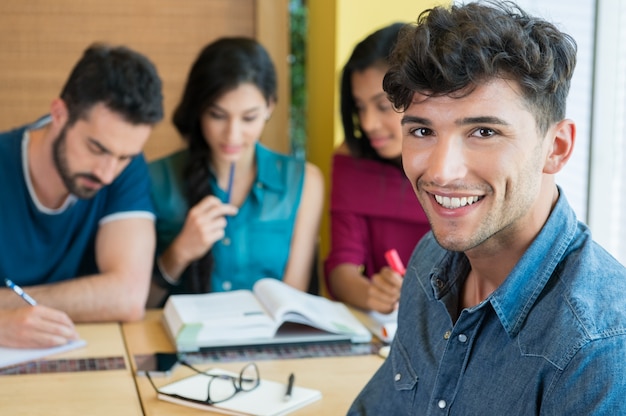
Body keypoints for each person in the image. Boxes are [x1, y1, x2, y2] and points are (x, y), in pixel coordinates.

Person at [349, 2, 626, 414]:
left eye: (483, 131)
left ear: (557, 148)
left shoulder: (599, 346)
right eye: (423, 131)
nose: (442, 172)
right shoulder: (430, 259)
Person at [0, 44, 164, 348]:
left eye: (124, 156)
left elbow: (128, 296)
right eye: (96, 148)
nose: (107, 173)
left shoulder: (123, 168)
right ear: (59, 114)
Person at [147, 37, 324, 306]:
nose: (232, 134)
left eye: (249, 118)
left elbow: (293, 302)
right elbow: (139, 304)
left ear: (270, 106)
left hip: (267, 345)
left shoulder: (304, 182)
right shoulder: (155, 179)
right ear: (199, 111)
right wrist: (179, 253)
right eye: (217, 115)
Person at [324, 23, 430, 314]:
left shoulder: (455, 169)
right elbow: (340, 270)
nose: (367, 124)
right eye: (359, 107)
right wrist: (373, 294)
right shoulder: (352, 159)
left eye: (382, 106)